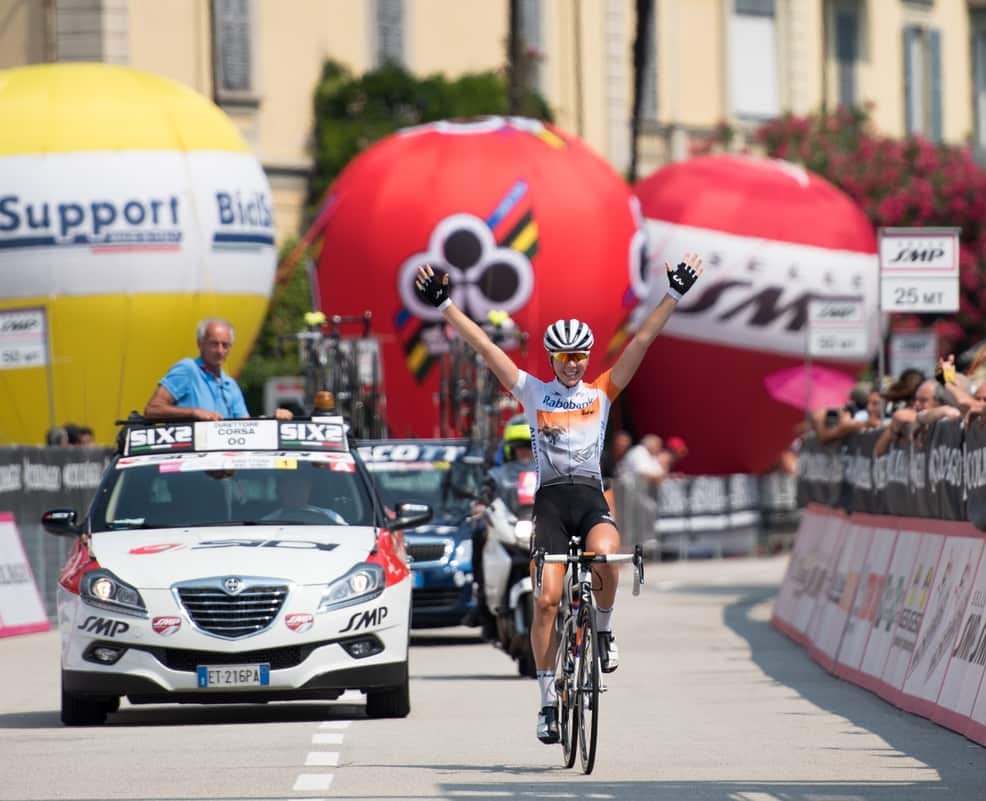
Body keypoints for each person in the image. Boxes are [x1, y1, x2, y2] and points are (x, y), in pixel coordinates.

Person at [414, 252, 704, 745]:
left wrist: (672, 294)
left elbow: (642, 340)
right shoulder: (531, 392)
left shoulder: (603, 392)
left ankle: (605, 630)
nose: (573, 364)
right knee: (547, 601)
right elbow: (484, 345)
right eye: (564, 356)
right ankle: (549, 702)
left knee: (606, 557)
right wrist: (445, 305)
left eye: (580, 355)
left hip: (589, 496)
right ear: (551, 359)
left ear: (588, 357)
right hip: (549, 503)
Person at [144, 318, 293, 422]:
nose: (220, 350)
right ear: (200, 344)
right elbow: (152, 410)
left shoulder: (230, 384)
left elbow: (246, 426)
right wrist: (193, 413)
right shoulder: (188, 369)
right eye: (214, 344)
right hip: (188, 460)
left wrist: (273, 419)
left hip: (224, 461)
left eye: (225, 345)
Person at [471, 417, 538, 640]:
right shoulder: (497, 475)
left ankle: (581, 607)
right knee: (479, 535)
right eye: (521, 448)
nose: (526, 453)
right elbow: (485, 495)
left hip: (544, 528)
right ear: (511, 450)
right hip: (511, 528)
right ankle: (483, 605)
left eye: (530, 447)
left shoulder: (550, 471)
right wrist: (481, 506)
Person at [263, 467, 347, 525]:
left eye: (299, 487)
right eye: (289, 488)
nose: (294, 492)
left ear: (309, 489)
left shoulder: (330, 516)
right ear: (278, 492)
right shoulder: (266, 522)